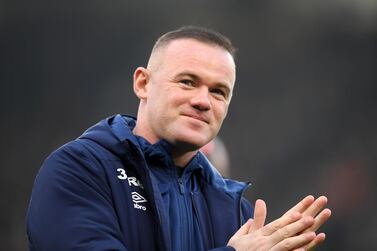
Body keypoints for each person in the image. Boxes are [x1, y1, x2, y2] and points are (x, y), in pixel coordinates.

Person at [26, 26, 331, 251]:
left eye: (218, 91)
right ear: (143, 83)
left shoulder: (237, 212)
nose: (203, 101)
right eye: (187, 82)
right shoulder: (79, 169)